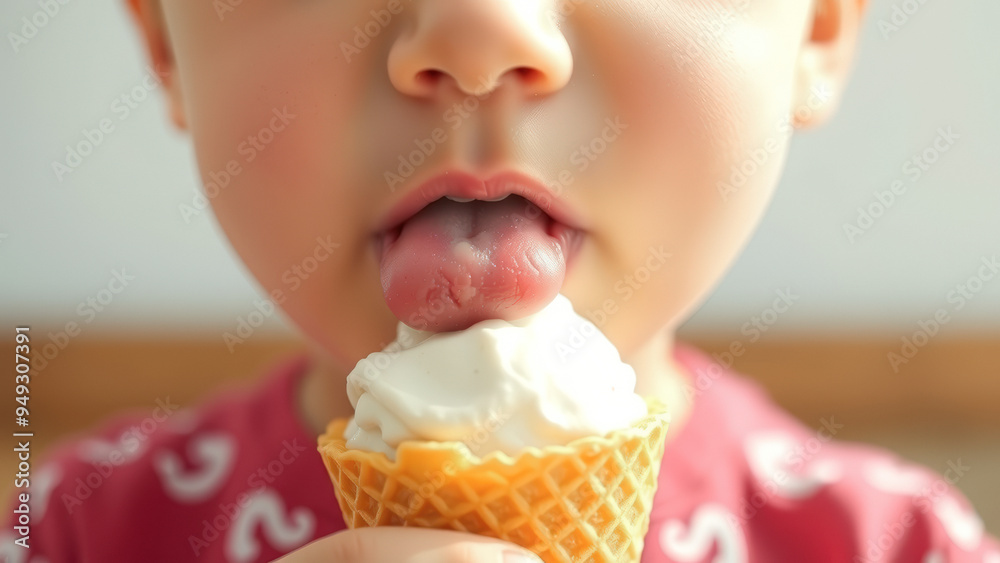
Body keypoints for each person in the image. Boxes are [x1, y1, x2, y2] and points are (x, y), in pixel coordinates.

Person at [3, 0, 998, 561]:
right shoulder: (73, 533)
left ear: (816, 29)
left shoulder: (904, 547)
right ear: (165, 44)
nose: (479, 31)